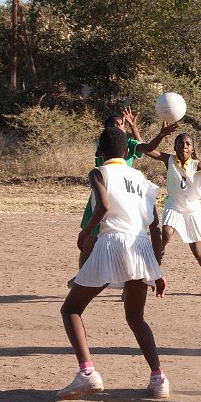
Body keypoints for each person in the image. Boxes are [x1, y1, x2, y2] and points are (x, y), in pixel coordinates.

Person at [58, 126, 170, 400]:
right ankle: (159, 379)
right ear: (125, 151)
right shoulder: (141, 177)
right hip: (140, 245)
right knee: (136, 318)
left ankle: (87, 373)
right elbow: (154, 227)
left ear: (99, 151)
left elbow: (104, 207)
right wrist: (156, 267)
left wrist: (85, 232)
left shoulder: (99, 172)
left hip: (112, 242)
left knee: (71, 309)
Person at [73, 108, 178, 278]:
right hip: (105, 192)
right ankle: (83, 274)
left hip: (125, 193)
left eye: (121, 124)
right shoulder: (108, 144)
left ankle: (127, 282)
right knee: (92, 240)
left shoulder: (129, 144)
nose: (119, 126)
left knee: (125, 232)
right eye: (114, 124)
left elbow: (147, 147)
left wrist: (157, 134)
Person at [146, 133, 201, 296]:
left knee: (197, 249)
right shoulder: (169, 160)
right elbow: (147, 150)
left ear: (192, 148)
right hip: (174, 204)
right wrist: (135, 128)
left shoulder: (198, 164)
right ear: (175, 147)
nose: (184, 146)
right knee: (166, 232)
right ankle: (159, 257)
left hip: (192, 209)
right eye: (180, 143)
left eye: (188, 144)